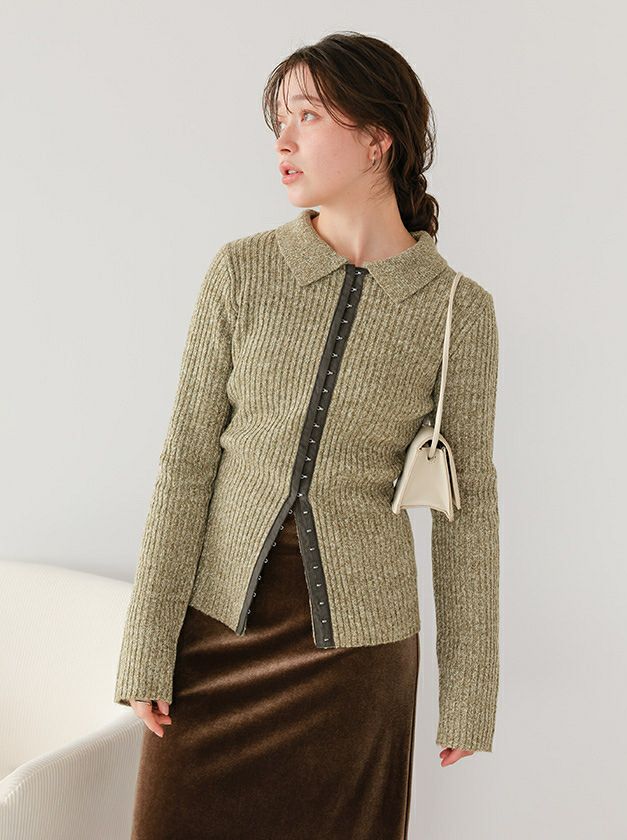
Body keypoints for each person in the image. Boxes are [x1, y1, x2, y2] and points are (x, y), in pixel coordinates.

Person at [114, 30, 500, 840]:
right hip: (214, 634)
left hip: (357, 663)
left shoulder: (455, 311)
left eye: (308, 116)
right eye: (278, 121)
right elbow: (186, 465)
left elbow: (468, 512)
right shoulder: (242, 272)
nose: (282, 141)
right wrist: (147, 643)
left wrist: (469, 692)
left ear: (377, 138)